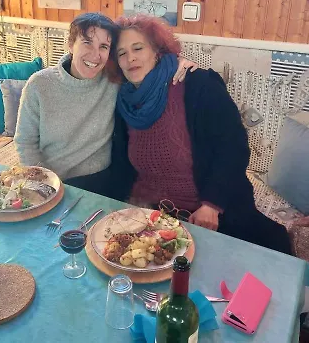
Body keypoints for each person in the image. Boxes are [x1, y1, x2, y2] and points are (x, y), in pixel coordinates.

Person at [108, 14, 292, 254]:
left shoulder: (198, 85)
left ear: (157, 51)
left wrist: (212, 205)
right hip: (149, 215)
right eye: (121, 53)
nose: (130, 58)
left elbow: (233, 148)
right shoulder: (124, 101)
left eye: (138, 48)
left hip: (206, 214)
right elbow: (121, 164)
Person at [14, 12, 196, 197]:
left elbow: (149, 66)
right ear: (70, 44)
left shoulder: (114, 79)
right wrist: (44, 183)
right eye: (87, 43)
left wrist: (178, 63)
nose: (95, 55)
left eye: (103, 46)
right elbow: (25, 141)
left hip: (102, 182)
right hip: (53, 181)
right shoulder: (39, 84)